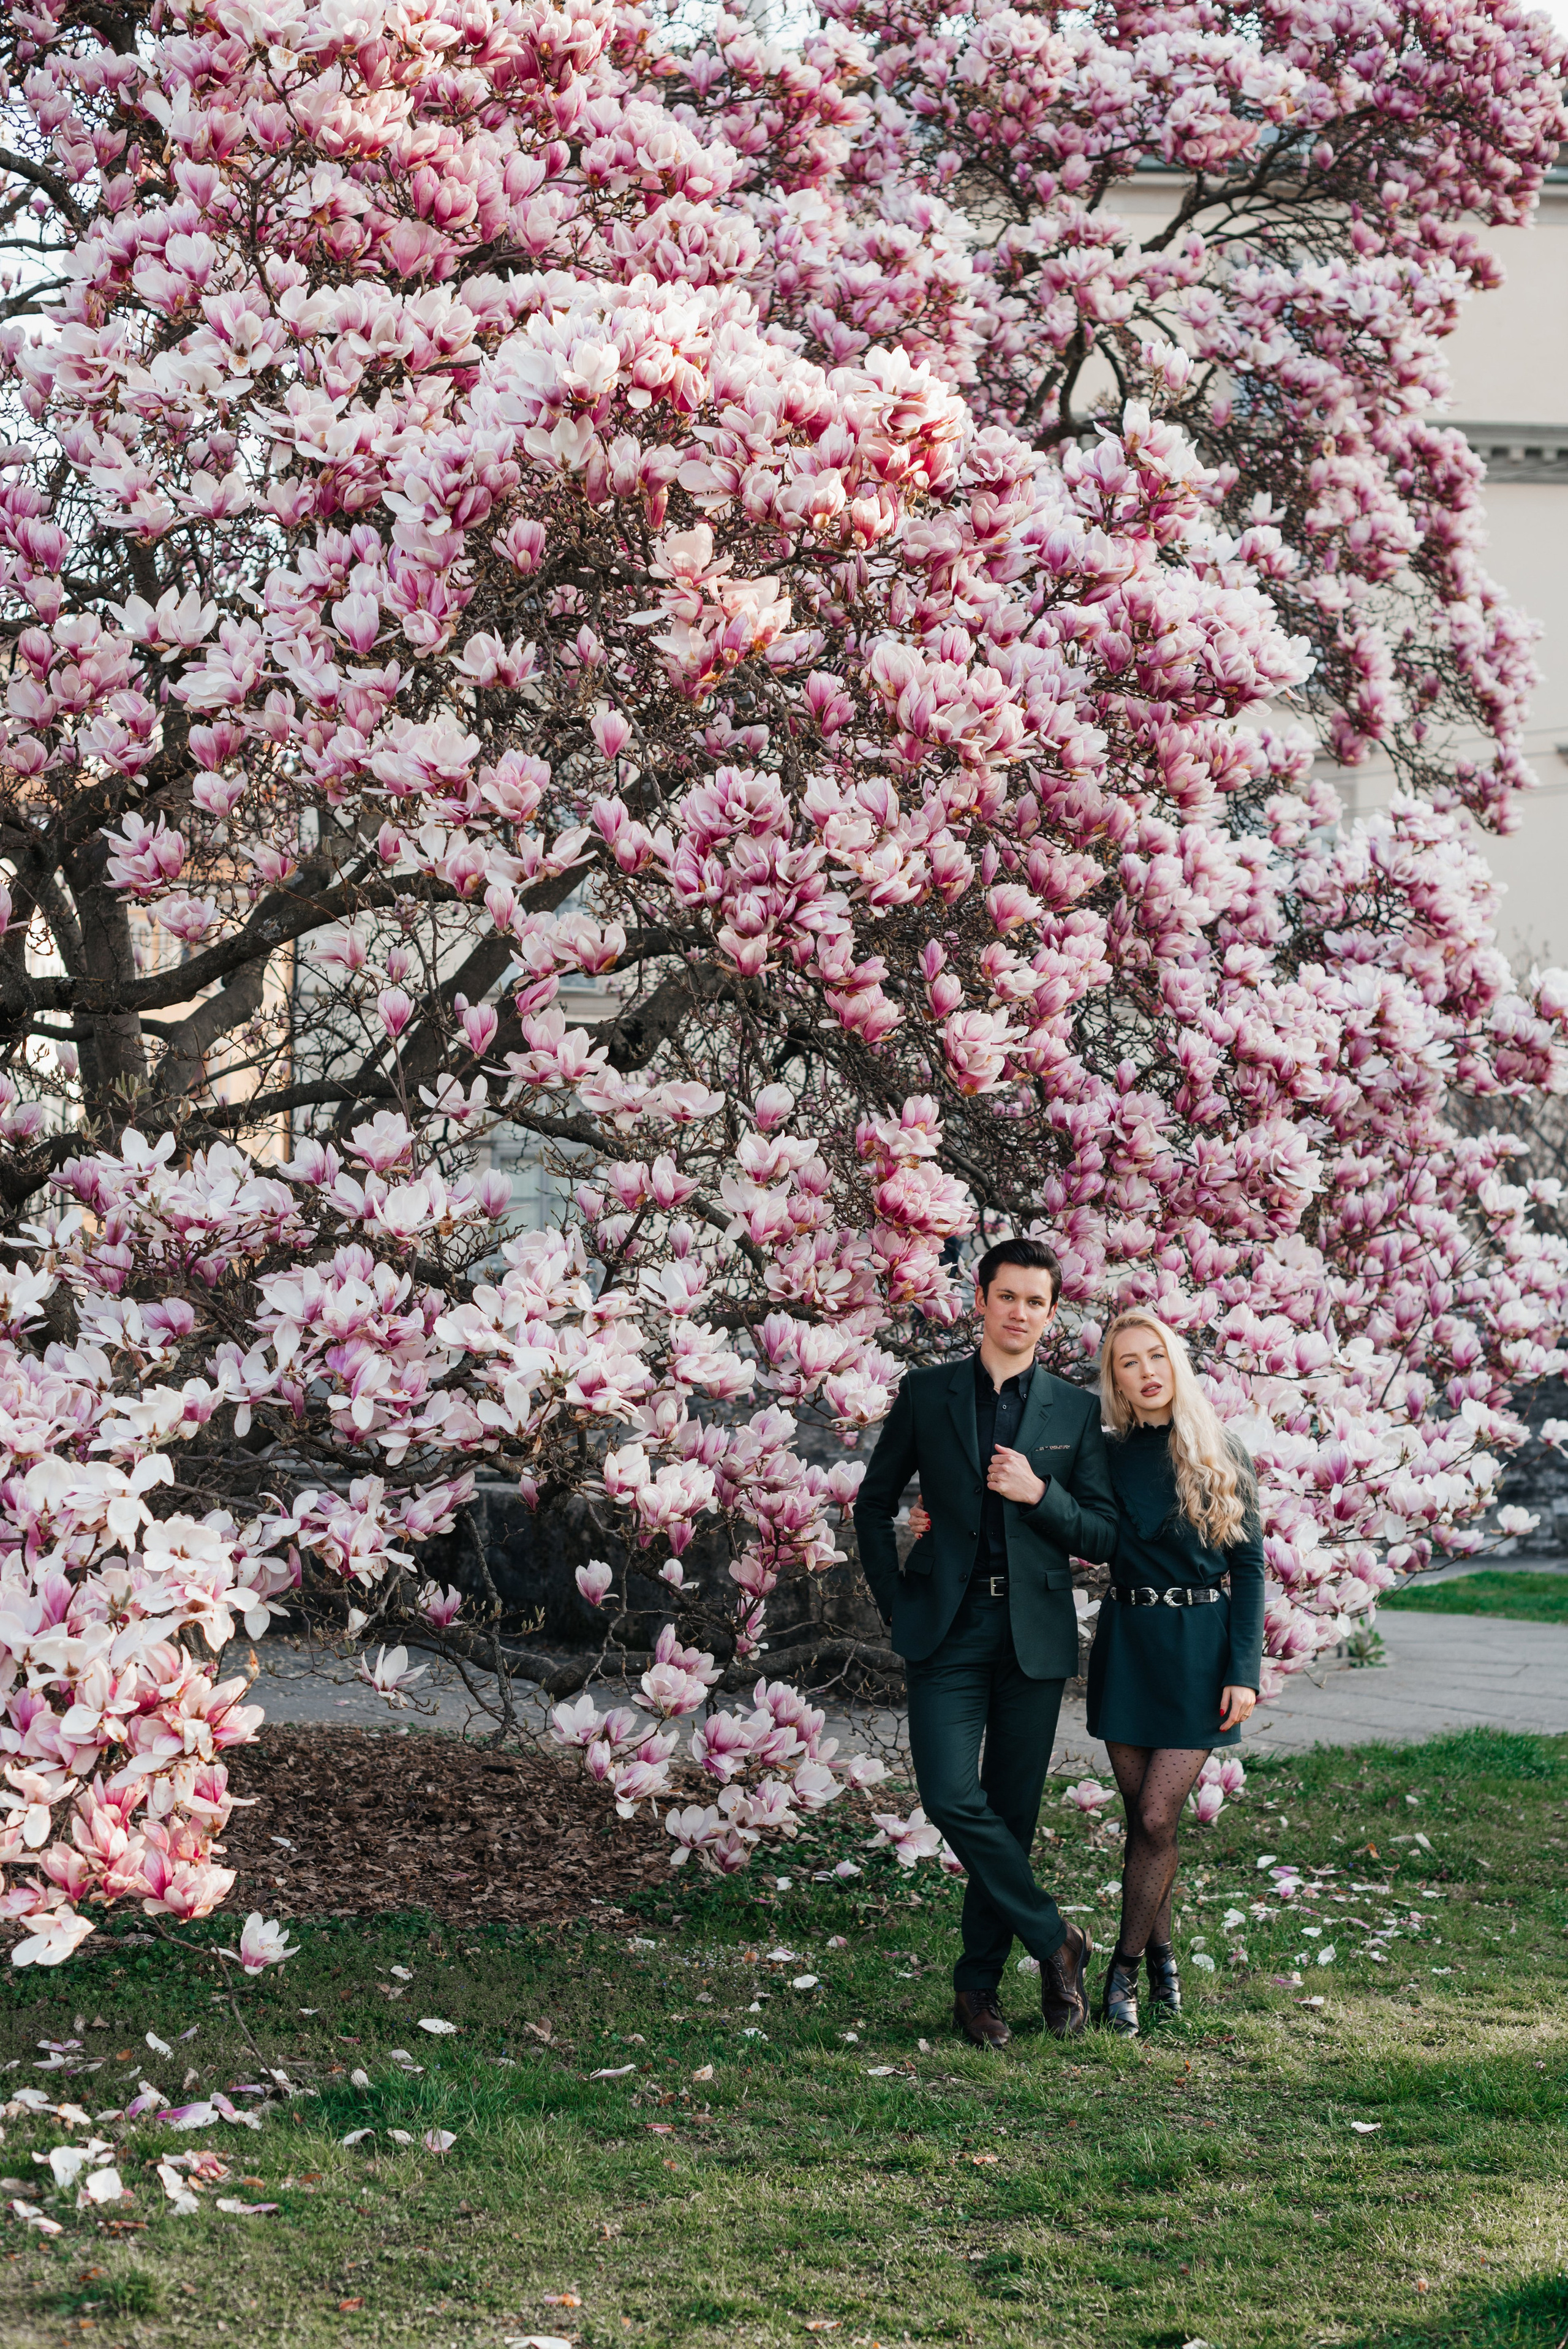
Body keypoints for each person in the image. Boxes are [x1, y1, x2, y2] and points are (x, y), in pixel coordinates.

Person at [853, 1237, 1118, 2048]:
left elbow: (1103, 1532)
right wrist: (899, 1602)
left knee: (1009, 1814)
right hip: (948, 1627)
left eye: (1036, 1301)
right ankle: (1057, 1941)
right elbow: (872, 1505)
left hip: (1033, 1636)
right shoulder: (928, 1393)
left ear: (1050, 1312)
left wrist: (1041, 1495)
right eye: (1008, 1296)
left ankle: (977, 1991)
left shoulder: (1073, 1410)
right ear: (980, 1299)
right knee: (949, 1796)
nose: (1021, 1312)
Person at [1087, 1309, 1265, 2035]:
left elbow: (1249, 1565)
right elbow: (1060, 1520)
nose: (1145, 1371)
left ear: (1175, 1362)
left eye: (1154, 1355)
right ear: (1116, 1380)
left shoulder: (1220, 1448)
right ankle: (1164, 1963)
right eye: (1128, 1362)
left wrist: (1243, 1670)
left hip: (1198, 1647)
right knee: (1143, 1825)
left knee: (1159, 1815)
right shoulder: (1102, 1454)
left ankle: (1121, 1972)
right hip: (1128, 1642)